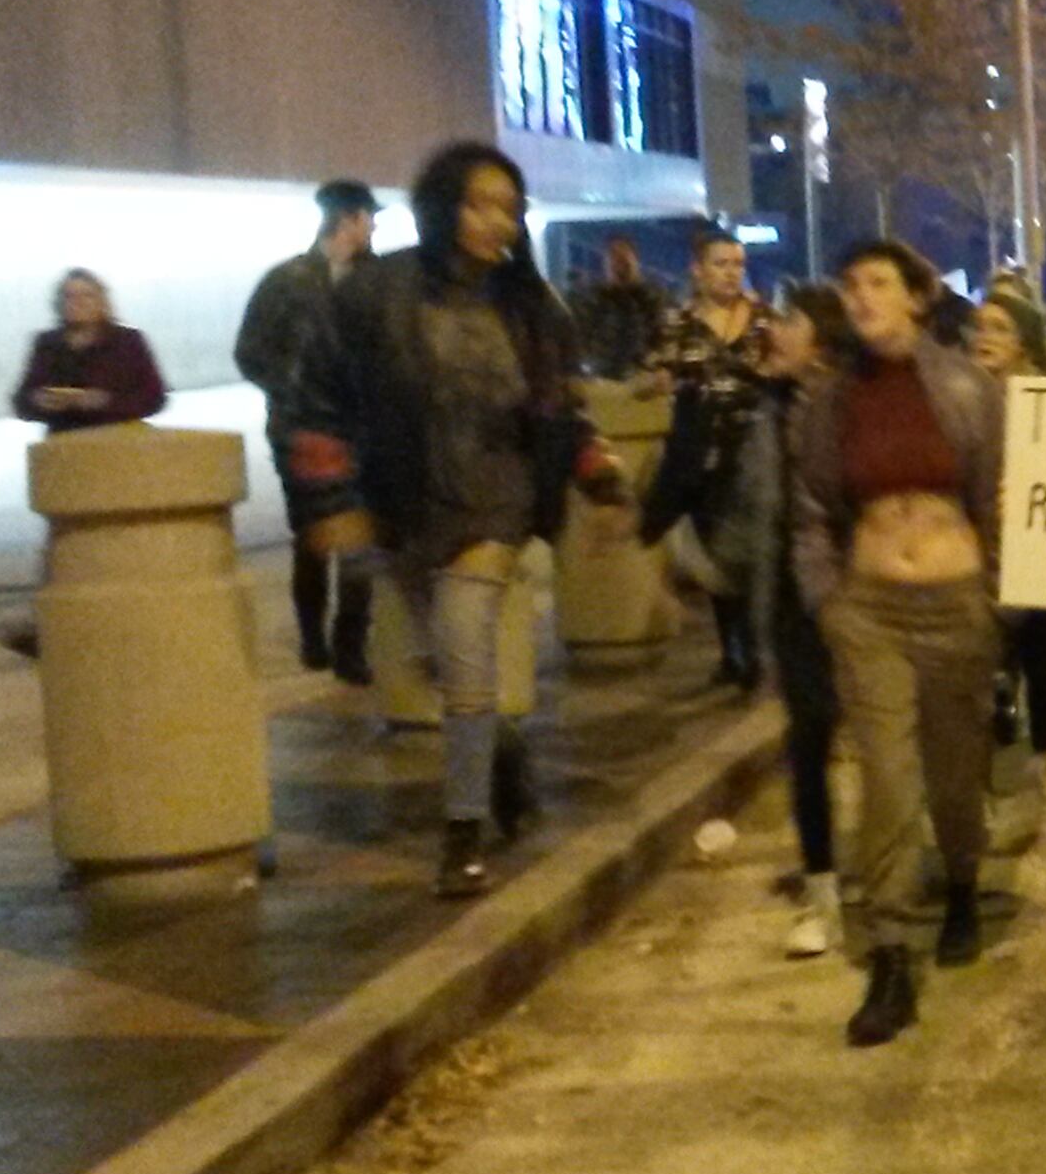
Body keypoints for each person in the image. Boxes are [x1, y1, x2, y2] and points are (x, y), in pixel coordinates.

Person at [286, 144, 619, 897]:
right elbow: (316, 401)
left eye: (508, 206)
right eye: (478, 203)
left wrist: (598, 475)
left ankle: (462, 832)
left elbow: (564, 408)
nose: (495, 220)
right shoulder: (375, 294)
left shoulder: (533, 306)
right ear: (442, 206)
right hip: (401, 508)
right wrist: (333, 506)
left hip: (494, 505)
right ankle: (503, 755)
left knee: (466, 652)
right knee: (446, 666)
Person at [789, 238, 1006, 1047]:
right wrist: (831, 605)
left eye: (878, 283)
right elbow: (811, 512)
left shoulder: (968, 388)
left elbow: (999, 500)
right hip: (870, 609)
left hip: (956, 608)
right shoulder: (829, 403)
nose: (862, 298)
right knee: (884, 778)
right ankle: (890, 949)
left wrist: (993, 602)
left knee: (955, 773)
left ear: (917, 296)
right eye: (850, 285)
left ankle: (959, 886)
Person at [236, 180, 380, 679]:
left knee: (363, 538)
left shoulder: (380, 281)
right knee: (314, 537)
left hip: (365, 432)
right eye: (370, 218)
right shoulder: (287, 280)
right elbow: (249, 351)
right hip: (302, 432)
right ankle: (313, 638)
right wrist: (293, 393)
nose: (374, 227)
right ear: (350, 220)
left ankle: (351, 645)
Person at [750, 282, 854, 960]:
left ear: (819, 337)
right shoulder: (768, 406)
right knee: (810, 738)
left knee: (883, 736)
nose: (773, 330)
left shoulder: (859, 407)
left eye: (788, 320)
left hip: (865, 597)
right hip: (795, 602)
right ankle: (823, 889)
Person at [642, 230, 779, 690]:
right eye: (721, 264)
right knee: (716, 554)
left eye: (738, 264)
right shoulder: (678, 323)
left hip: (755, 453)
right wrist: (658, 380)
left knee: (751, 551)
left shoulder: (763, 320)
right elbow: (656, 370)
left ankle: (753, 649)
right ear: (698, 270)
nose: (731, 273)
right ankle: (733, 650)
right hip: (702, 456)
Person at [966, 278, 1046, 801]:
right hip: (980, 554)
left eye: (999, 329)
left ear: (1024, 342)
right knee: (984, 662)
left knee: (1042, 657)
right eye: (979, 327)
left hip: (1039, 548)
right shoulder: (959, 396)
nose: (984, 337)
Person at [15, 270, 170, 433]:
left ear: (102, 301)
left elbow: (155, 398)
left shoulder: (128, 341)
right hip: (65, 445)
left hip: (121, 442)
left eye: (86, 295)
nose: (78, 302)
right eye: (69, 296)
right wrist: (39, 401)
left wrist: (104, 402)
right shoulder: (47, 343)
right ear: (59, 302)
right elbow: (21, 402)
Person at [574, 235, 670, 378]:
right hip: (603, 380)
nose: (619, 261)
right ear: (605, 262)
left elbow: (663, 336)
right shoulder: (593, 299)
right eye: (613, 255)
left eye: (624, 256)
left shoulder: (652, 297)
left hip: (644, 379)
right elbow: (583, 338)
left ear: (635, 260)